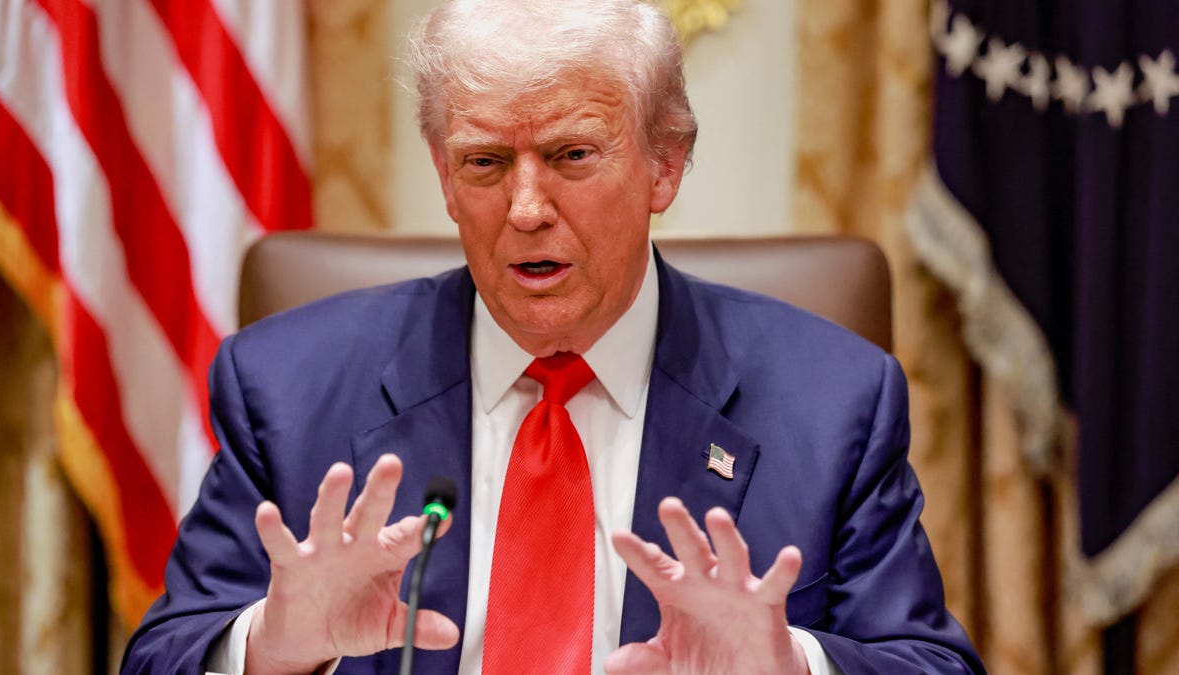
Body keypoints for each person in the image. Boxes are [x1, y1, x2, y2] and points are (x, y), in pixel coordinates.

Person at [122, 0, 984, 673]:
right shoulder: (286, 387)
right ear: (444, 177)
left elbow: (931, 663)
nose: (527, 209)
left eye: (573, 155)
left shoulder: (833, 402)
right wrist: (271, 645)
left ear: (665, 165)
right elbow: (160, 656)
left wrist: (791, 665)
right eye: (486, 162)